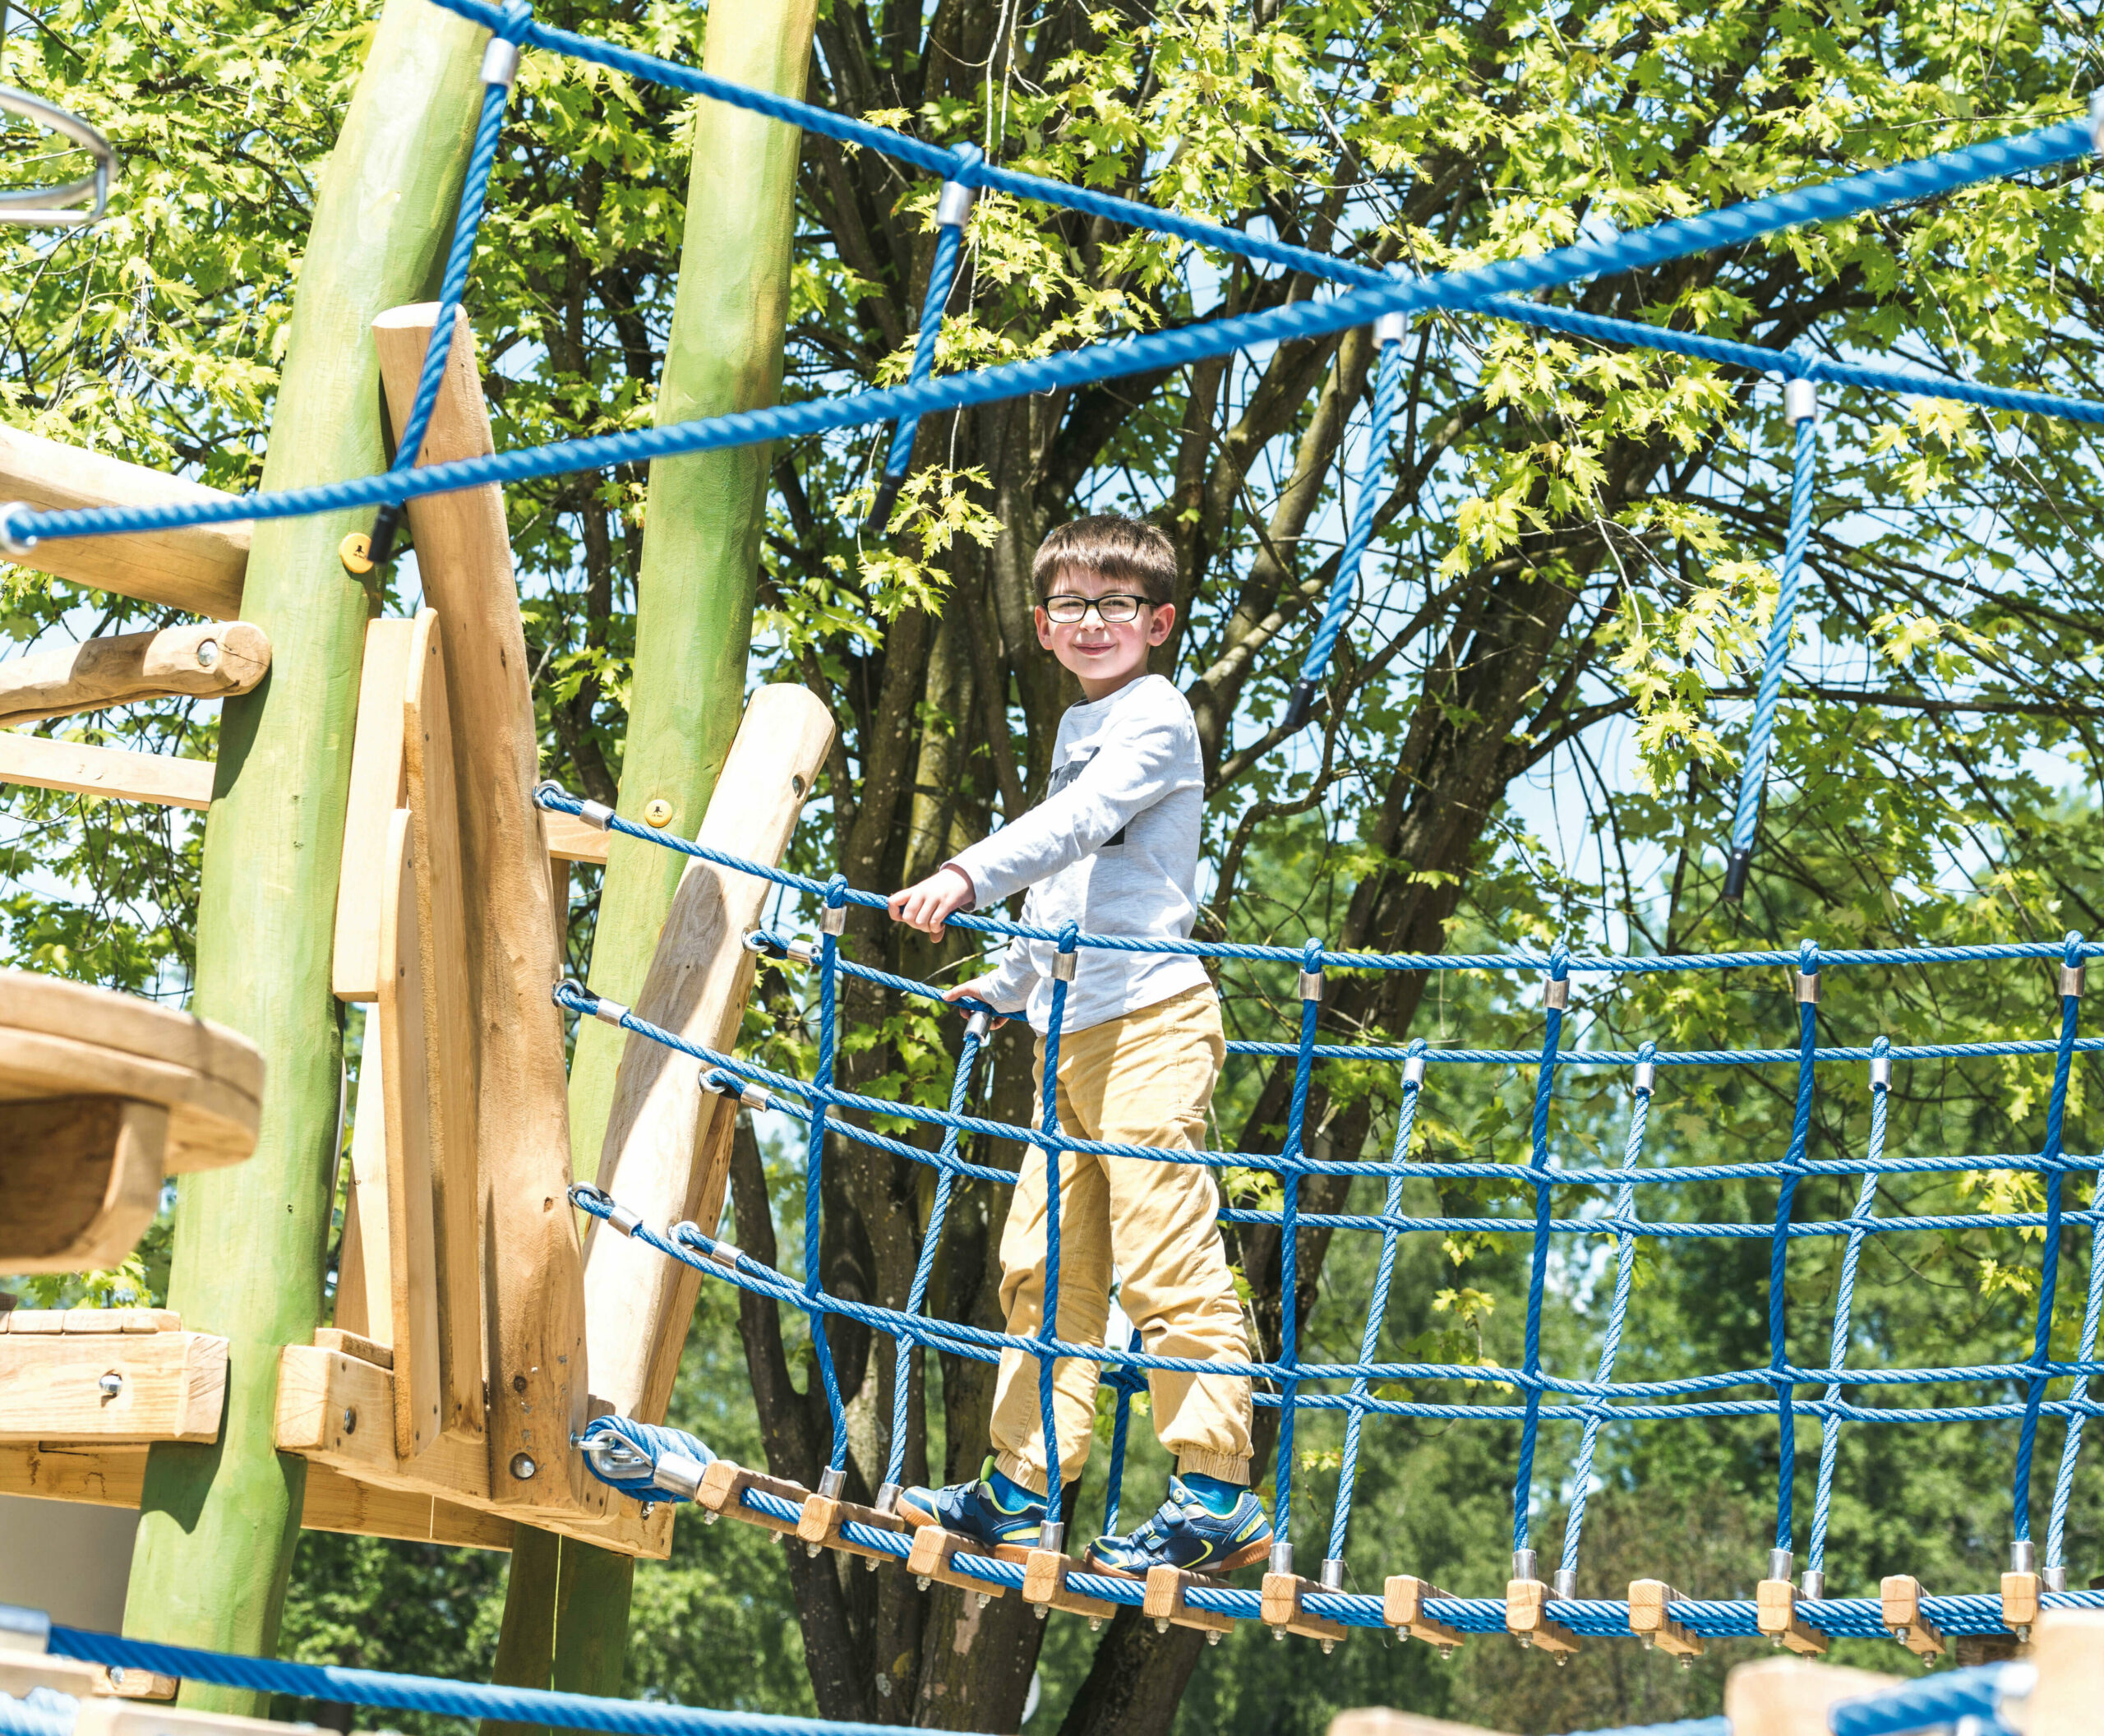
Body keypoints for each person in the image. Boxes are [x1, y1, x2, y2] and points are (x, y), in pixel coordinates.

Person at [885, 514, 1271, 1577]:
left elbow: (1082, 823)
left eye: (1115, 605)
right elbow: (1069, 882)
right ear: (1045, 625)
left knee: (1163, 1248)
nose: (1092, 622)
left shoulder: (1156, 717)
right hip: (1070, 1031)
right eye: (1070, 605)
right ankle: (1021, 1486)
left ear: (1158, 622)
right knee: (1044, 1262)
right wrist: (1013, 981)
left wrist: (964, 874)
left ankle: (1215, 1491)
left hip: (1149, 1020)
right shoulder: (1076, 725)